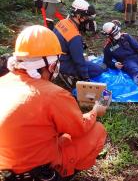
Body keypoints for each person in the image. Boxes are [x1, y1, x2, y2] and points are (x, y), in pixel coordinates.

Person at [0, 25, 107, 180]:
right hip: (35, 172)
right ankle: (62, 174)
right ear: (51, 64)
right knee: (97, 130)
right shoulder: (54, 95)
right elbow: (79, 127)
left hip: (6, 166)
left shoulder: (3, 81)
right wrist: (95, 111)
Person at [53, 0, 107, 87]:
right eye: (86, 17)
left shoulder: (61, 22)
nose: (87, 20)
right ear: (78, 15)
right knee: (97, 69)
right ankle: (70, 76)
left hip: (55, 58)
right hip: (63, 64)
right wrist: (85, 78)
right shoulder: (74, 36)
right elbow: (79, 62)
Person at [102, 20, 138, 97]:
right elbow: (106, 61)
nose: (118, 35)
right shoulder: (108, 47)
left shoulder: (126, 36)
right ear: (108, 35)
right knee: (135, 72)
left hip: (137, 56)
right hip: (126, 62)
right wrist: (114, 64)